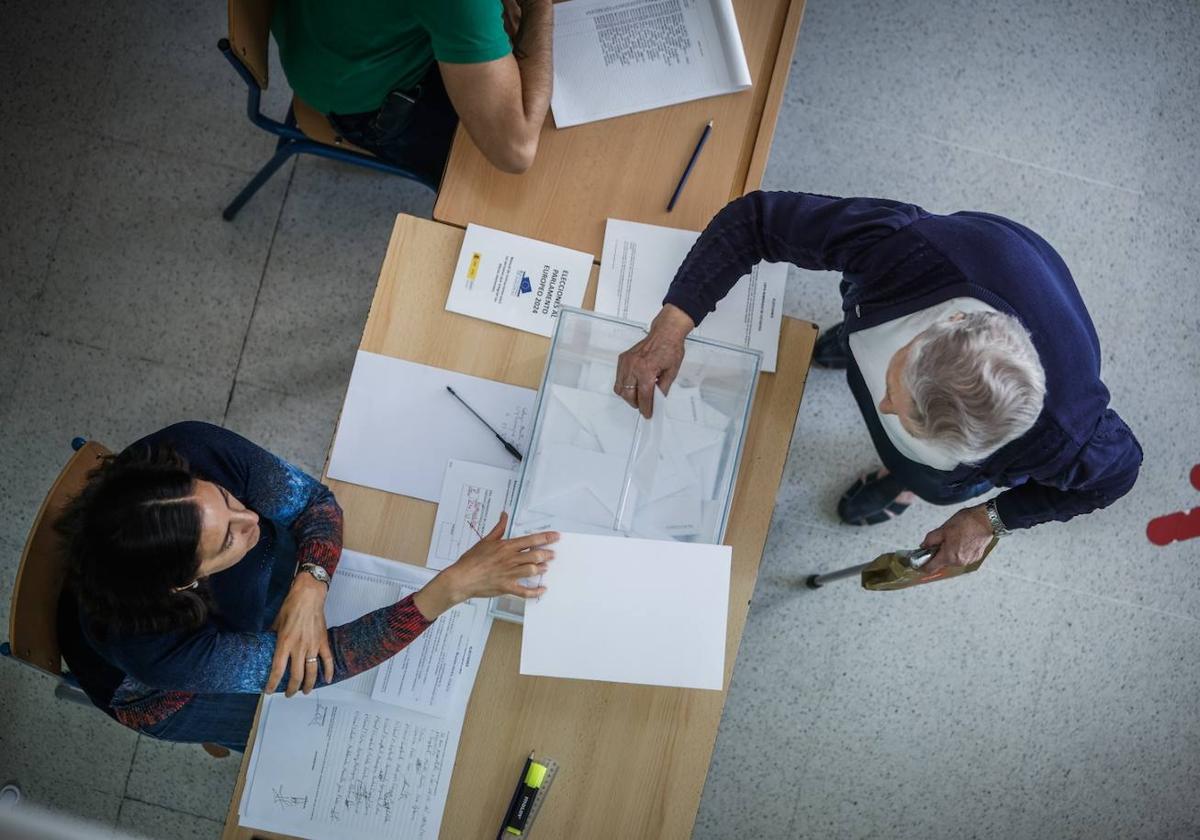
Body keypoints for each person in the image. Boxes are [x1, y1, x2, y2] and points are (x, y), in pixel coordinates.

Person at [613, 191, 1142, 573]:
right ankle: (859, 340)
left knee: (934, 481)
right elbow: (754, 221)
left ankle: (912, 478)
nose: (885, 407)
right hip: (911, 287)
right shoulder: (908, 248)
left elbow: (1117, 476)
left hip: (952, 442)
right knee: (873, 377)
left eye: (911, 418)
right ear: (948, 322)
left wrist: (991, 519)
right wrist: (671, 328)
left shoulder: (1069, 433)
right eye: (899, 390)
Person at [55, 421, 557, 752]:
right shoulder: (158, 653)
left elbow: (317, 504)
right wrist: (449, 588)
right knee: (292, 743)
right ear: (185, 581)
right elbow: (312, 668)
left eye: (228, 498)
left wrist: (311, 585)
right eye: (228, 537)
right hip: (172, 695)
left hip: (225, 599)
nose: (251, 516)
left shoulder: (190, 450)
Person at [271, 0, 553, 183]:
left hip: (324, 33)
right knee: (526, 185)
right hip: (363, 99)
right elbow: (516, 152)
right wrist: (540, 6)